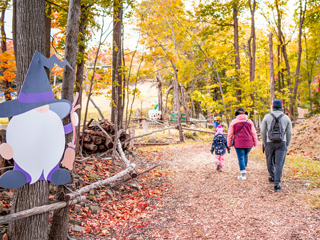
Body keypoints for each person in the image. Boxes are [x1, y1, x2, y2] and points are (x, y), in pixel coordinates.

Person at [261, 100, 292, 192]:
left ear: (273, 107)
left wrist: (265, 142)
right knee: (279, 163)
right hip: (282, 143)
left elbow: (263, 131)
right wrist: (287, 144)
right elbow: (289, 132)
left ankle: (273, 176)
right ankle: (277, 184)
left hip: (269, 143)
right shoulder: (286, 118)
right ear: (282, 107)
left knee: (269, 160)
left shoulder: (267, 117)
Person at [227, 107, 258, 180]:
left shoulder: (234, 122)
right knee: (245, 155)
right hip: (249, 143)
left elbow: (230, 134)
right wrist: (255, 142)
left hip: (239, 143)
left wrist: (228, 144)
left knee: (241, 157)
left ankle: (243, 174)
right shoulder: (249, 121)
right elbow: (254, 133)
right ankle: (244, 167)